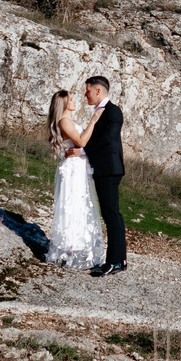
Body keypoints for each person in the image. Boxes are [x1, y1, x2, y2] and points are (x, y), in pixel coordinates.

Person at [43, 89, 106, 270]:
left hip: (78, 167)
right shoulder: (64, 121)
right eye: (71, 99)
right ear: (64, 103)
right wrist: (93, 121)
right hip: (72, 169)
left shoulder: (68, 121)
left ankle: (77, 248)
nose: (74, 101)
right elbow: (82, 141)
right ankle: (70, 248)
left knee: (80, 205)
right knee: (72, 206)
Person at [80, 75, 128, 275]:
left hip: (109, 169)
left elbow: (107, 139)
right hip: (104, 169)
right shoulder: (101, 112)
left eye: (88, 90)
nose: (85, 95)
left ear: (98, 91)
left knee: (111, 215)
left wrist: (82, 150)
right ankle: (120, 260)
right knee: (111, 214)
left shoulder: (113, 111)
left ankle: (114, 261)